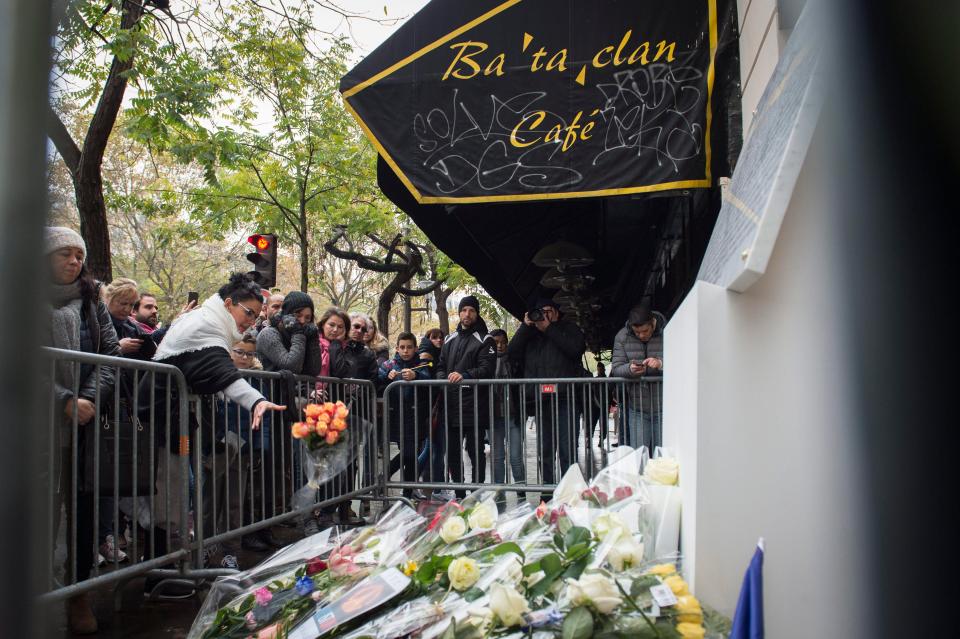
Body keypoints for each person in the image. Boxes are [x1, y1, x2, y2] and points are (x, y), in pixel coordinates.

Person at [141, 273, 286, 598]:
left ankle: (173, 569)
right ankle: (161, 574)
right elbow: (225, 374)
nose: (250, 322)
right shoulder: (206, 325)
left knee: (182, 492)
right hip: (163, 419)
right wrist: (257, 400)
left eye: (255, 315)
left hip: (178, 419)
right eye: (247, 312)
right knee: (173, 495)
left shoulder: (210, 321)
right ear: (228, 304)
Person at [44, 226, 121, 634]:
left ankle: (78, 594)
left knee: (82, 511)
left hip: (86, 424)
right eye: (64, 254)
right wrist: (62, 400)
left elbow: (110, 354)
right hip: (35, 425)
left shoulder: (92, 302)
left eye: (79, 254)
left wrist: (87, 398)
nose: (74, 261)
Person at [507, 298, 586, 492]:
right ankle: (548, 493)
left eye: (547, 311)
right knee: (546, 451)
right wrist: (525, 327)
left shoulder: (569, 328)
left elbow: (576, 350)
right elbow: (512, 353)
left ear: (557, 312)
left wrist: (550, 328)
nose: (543, 315)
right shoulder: (530, 335)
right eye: (539, 312)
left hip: (566, 399)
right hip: (541, 400)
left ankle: (570, 492)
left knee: (568, 451)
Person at [436, 295, 496, 498]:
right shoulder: (449, 339)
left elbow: (487, 368)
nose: (466, 314)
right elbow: (441, 366)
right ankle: (460, 493)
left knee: (475, 450)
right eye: (463, 310)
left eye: (471, 310)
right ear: (459, 313)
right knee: (452, 453)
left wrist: (465, 375)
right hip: (451, 406)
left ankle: (476, 491)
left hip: (475, 406)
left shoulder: (485, 339)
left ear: (477, 313)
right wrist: (443, 379)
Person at [378, 332, 432, 498]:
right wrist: (387, 377)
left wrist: (417, 376)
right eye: (402, 347)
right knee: (408, 454)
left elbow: (429, 380)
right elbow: (377, 382)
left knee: (411, 454)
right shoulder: (389, 365)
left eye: (409, 347)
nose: (406, 351)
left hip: (417, 415)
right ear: (397, 348)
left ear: (415, 348)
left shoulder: (422, 364)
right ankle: (392, 482)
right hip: (397, 416)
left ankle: (405, 491)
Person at [610, 304, 665, 453]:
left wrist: (661, 363)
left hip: (664, 407)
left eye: (645, 331)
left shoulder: (669, 330)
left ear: (653, 322)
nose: (641, 335)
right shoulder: (622, 336)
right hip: (637, 408)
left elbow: (682, 359)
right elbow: (616, 368)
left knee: (662, 455)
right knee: (640, 455)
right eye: (637, 332)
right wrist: (630, 369)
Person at [489, 328, 526, 504]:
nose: (500, 345)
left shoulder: (514, 361)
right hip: (493, 416)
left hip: (513, 415)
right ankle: (499, 491)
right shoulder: (486, 362)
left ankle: (521, 490)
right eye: (496, 342)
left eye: (503, 342)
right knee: (497, 458)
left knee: (516, 457)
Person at [256, 291, 321, 376]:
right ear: (287, 313)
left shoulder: (305, 333)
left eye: (307, 317)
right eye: (298, 315)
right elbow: (292, 367)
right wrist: (298, 333)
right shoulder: (268, 333)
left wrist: (313, 339)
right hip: (269, 388)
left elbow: (314, 370)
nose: (302, 321)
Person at [104, 278, 156, 361]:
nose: (127, 309)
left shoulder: (133, 328)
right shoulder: (95, 323)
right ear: (108, 299)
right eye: (123, 303)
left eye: (131, 305)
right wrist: (118, 349)